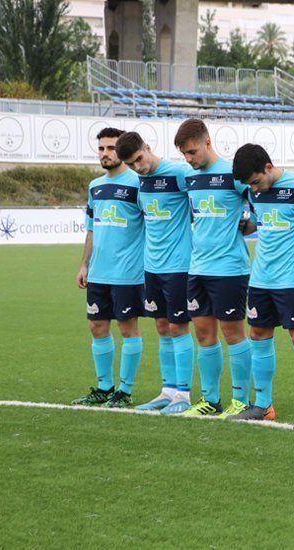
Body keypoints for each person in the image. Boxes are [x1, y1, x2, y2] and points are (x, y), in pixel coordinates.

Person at [230, 144, 294, 425]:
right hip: (260, 278)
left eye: (256, 181)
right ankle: (263, 405)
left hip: (292, 280)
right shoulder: (254, 191)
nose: (255, 189)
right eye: (250, 185)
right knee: (258, 336)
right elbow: (260, 223)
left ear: (267, 167)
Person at [174, 119, 253, 417]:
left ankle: (240, 401)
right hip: (198, 268)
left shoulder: (234, 174)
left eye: (192, 152)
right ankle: (210, 400)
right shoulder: (189, 178)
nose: (189, 159)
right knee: (204, 334)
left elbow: (262, 204)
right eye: (185, 155)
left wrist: (251, 224)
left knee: (233, 333)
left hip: (230, 269)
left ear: (207, 143)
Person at [115, 131, 195, 415]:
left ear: (147, 148)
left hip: (179, 265)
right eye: (131, 164)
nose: (138, 166)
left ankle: (183, 394)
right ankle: (168, 390)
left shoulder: (179, 173)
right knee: (161, 327)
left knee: (178, 327)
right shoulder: (139, 181)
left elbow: (202, 201)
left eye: (139, 159)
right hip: (152, 266)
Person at [72, 128, 144, 409]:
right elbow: (91, 228)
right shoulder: (95, 186)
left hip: (128, 271)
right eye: (101, 148)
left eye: (111, 148)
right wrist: (83, 264)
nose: (105, 153)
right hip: (99, 271)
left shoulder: (138, 183)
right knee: (97, 326)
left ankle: (124, 392)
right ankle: (104, 387)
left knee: (128, 329)